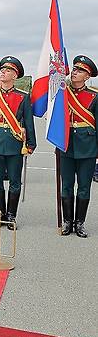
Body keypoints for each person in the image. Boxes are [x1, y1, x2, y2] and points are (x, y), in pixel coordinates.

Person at [0, 56, 36, 229]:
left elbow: (28, 122)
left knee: (15, 182)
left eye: (8, 70)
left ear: (15, 76)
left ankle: (11, 216)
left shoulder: (23, 97)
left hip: (15, 143)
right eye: (3, 69)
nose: (3, 72)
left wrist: (31, 143)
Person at [59, 55, 98, 237]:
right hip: (66, 145)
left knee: (84, 186)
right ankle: (67, 222)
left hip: (88, 147)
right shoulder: (62, 94)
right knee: (66, 185)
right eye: (74, 69)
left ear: (87, 76)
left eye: (80, 70)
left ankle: (80, 223)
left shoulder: (94, 97)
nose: (75, 72)